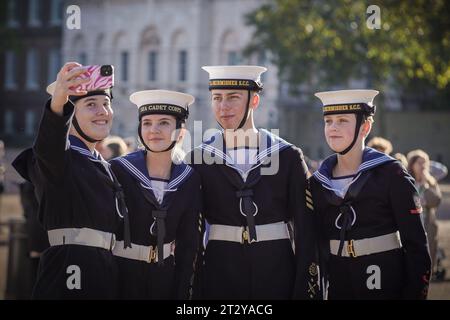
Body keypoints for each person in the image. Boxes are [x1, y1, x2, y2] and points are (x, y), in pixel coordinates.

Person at [187, 65, 319, 299]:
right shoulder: (199, 159)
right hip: (220, 274)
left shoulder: (287, 156)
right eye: (217, 98)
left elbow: (306, 231)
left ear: (254, 101)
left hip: (277, 272)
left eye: (233, 98)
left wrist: (305, 290)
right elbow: (190, 234)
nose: (223, 106)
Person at [12, 62, 130, 299]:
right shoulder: (58, 159)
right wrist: (58, 103)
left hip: (104, 271)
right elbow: (50, 143)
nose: (102, 112)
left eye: (106, 104)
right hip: (70, 271)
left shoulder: (103, 165)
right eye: (90, 105)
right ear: (69, 115)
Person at [310, 89, 431, 299]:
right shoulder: (318, 182)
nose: (333, 128)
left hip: (386, 284)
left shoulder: (391, 174)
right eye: (328, 121)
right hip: (339, 287)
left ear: (365, 126)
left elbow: (417, 246)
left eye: (342, 120)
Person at [110, 90, 202, 299]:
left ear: (180, 133)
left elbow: (188, 245)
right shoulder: (119, 170)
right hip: (122, 275)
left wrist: (181, 293)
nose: (154, 130)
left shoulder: (189, 178)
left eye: (164, 123)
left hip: (165, 279)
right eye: (147, 123)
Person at [407, 149, 442, 277]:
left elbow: (437, 200)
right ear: (412, 164)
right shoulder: (407, 180)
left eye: (425, 163)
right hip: (411, 226)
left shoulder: (430, 182)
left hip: (428, 225)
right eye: (419, 163)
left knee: (428, 258)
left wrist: (425, 187)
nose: (423, 166)